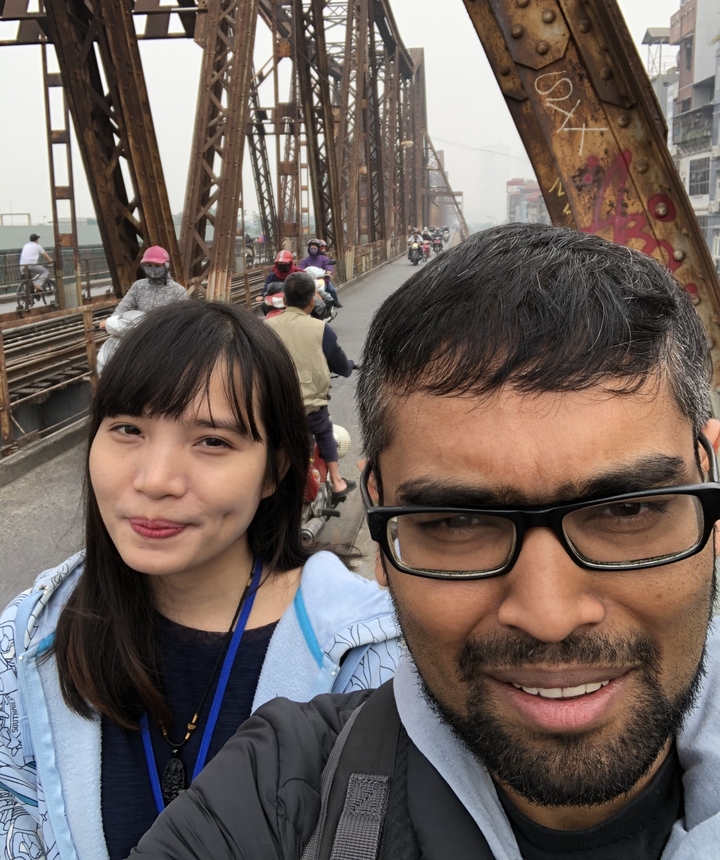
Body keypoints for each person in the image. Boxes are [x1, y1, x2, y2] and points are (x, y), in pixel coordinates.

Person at [129, 224, 720, 859]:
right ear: (380, 527)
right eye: (458, 523)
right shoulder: (285, 793)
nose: (550, 617)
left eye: (627, 509)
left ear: (711, 474)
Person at [0, 301, 400, 860]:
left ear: (276, 470)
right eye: (127, 429)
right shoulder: (28, 637)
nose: (156, 480)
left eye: (212, 441)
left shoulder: (373, 662)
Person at [267, 272, 356, 499]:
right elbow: (340, 365)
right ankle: (336, 482)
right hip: (308, 409)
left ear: (285, 300)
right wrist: (349, 366)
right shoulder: (321, 330)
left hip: (273, 409)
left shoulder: (266, 328)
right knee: (324, 431)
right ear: (311, 302)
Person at [99, 246, 186, 330]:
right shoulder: (139, 286)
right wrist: (110, 322)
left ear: (166, 266)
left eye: (157, 266)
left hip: (165, 335)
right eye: (149, 265)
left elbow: (182, 320)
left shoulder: (178, 291)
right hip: (140, 333)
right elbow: (123, 307)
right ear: (144, 266)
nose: (153, 269)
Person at [298, 239, 342, 309]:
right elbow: (300, 268)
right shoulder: (305, 260)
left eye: (315, 248)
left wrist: (329, 271)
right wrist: (299, 272)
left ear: (318, 249)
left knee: (331, 289)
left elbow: (328, 265)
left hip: (323, 280)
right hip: (310, 281)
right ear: (308, 249)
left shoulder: (324, 258)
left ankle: (336, 302)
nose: (313, 250)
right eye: (311, 248)